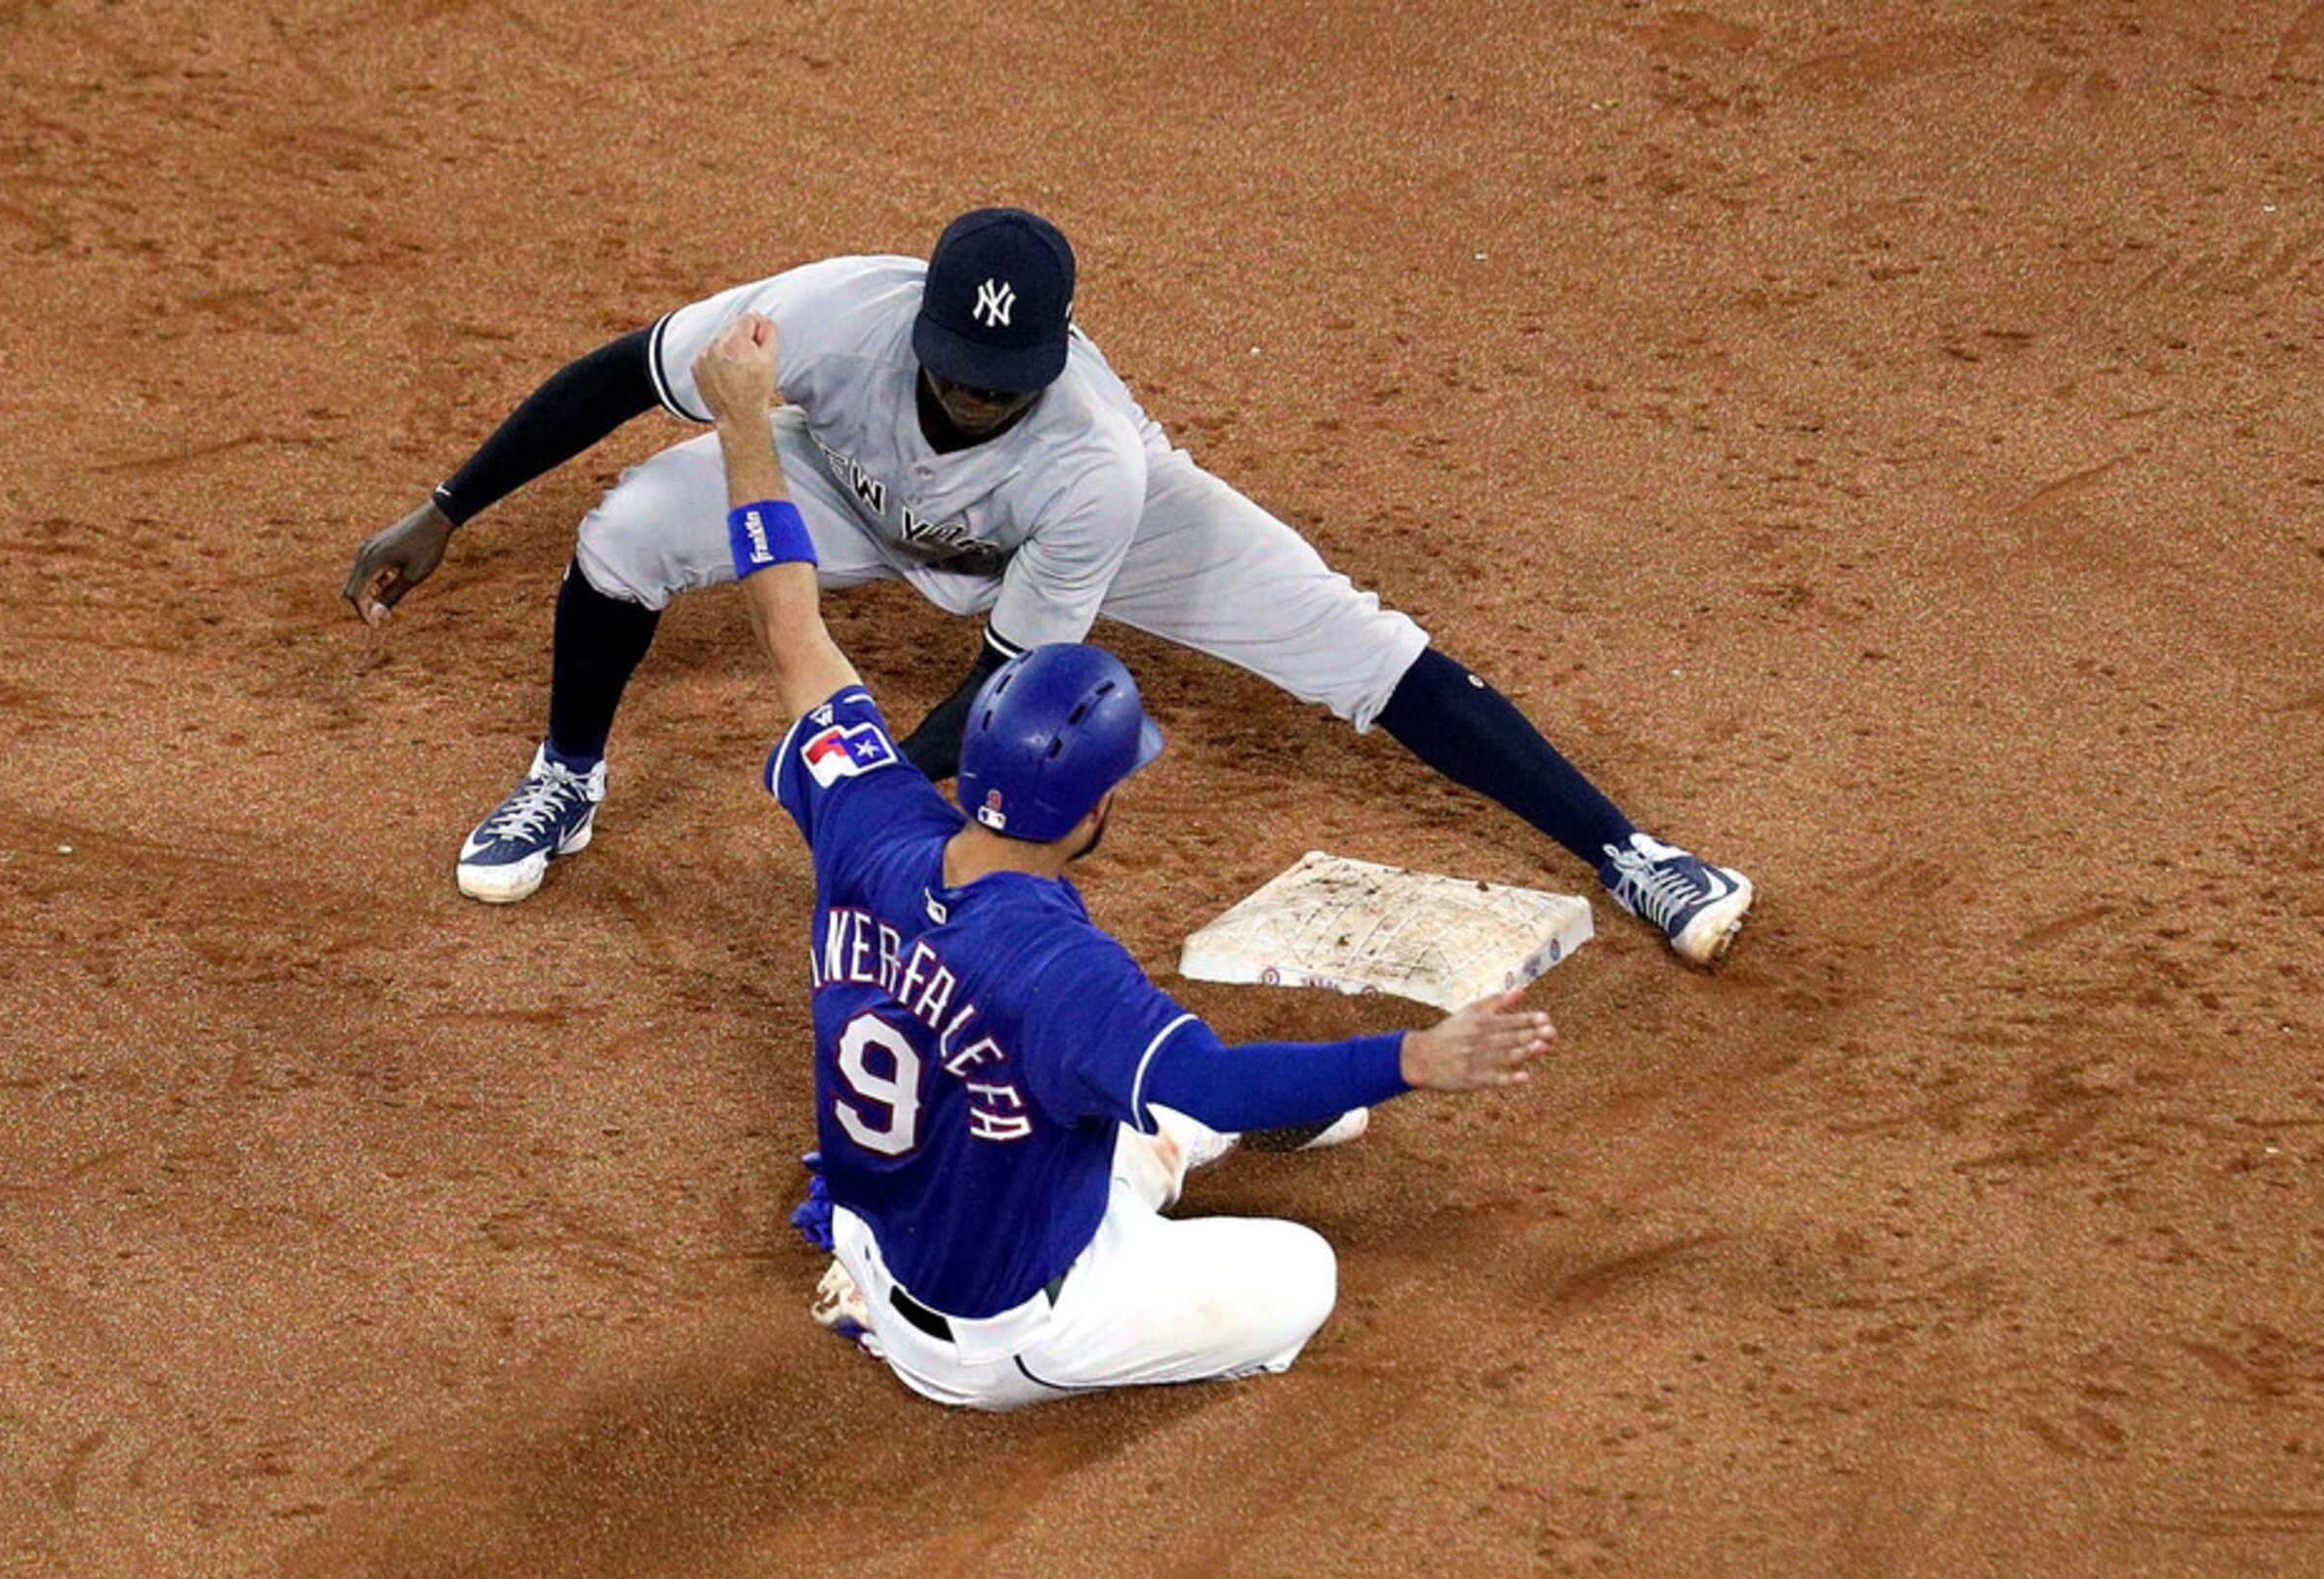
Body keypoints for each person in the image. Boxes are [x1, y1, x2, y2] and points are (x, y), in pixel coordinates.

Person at [342, 207, 1753, 964]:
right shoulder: (831, 310)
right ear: (922, 321)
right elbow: (618, 374)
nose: (970, 395)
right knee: (625, 534)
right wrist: (449, 506)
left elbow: (1002, 684)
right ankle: (566, 773)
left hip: (1063, 545)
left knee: (1354, 645)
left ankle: (1632, 852)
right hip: (842, 489)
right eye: (954, 367)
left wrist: (869, 809)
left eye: (1001, 383)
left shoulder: (1092, 461)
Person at [690, 311, 1555, 1407]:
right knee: (1301, 1268)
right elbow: (1218, 1081)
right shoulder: (1060, 971)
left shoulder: (873, 819)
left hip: (878, 1225)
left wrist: (740, 425)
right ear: (1095, 811)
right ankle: (974, 1325)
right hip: (997, 1338)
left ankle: (880, 1271)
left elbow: (792, 629)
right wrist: (1416, 1061)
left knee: (1132, 1088)